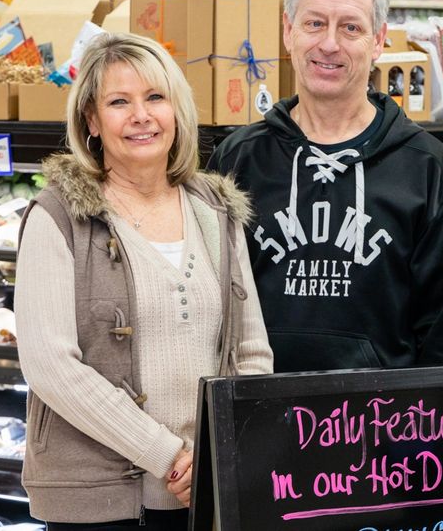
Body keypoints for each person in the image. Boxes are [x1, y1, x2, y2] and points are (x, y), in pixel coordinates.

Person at [15, 32, 273, 528]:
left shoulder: (216, 210)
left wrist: (222, 450)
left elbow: (252, 352)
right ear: (91, 119)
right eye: (118, 102)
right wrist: (170, 456)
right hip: (97, 501)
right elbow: (50, 366)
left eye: (155, 97)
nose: (141, 115)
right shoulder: (58, 217)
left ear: (176, 109)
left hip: (207, 491)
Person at [206, 0, 443, 372]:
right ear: (289, 30)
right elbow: (209, 307)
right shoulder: (238, 159)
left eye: (350, 27)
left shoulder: (427, 168)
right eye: (314, 23)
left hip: (383, 423)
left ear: (378, 40)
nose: (329, 44)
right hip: (255, 418)